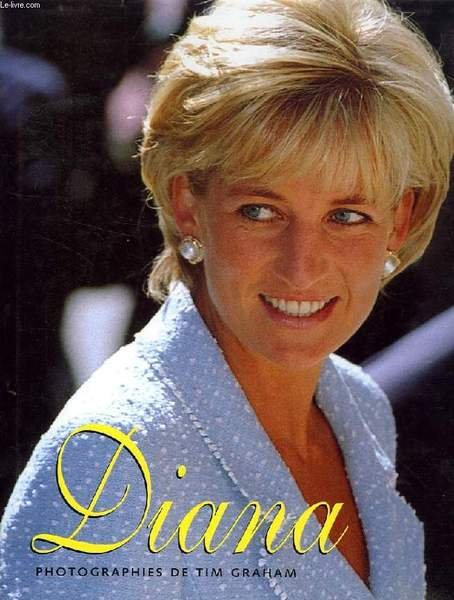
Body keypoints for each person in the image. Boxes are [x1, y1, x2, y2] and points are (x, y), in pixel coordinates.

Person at [1, 0, 453, 598]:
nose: (301, 267)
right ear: (188, 205)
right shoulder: (109, 464)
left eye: (346, 216)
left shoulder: (360, 407)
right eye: (260, 211)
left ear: (400, 221)